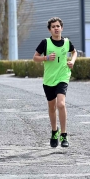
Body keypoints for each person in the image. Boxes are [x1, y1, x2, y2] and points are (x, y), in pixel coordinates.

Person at [33, 17, 77, 148]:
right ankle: (54, 131)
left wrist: (72, 61)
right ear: (49, 30)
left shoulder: (67, 42)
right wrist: (45, 58)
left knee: (61, 104)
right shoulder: (45, 43)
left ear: (62, 28)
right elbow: (35, 58)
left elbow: (74, 53)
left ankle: (64, 135)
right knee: (52, 107)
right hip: (49, 80)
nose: (56, 28)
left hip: (63, 77)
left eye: (58, 26)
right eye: (53, 27)